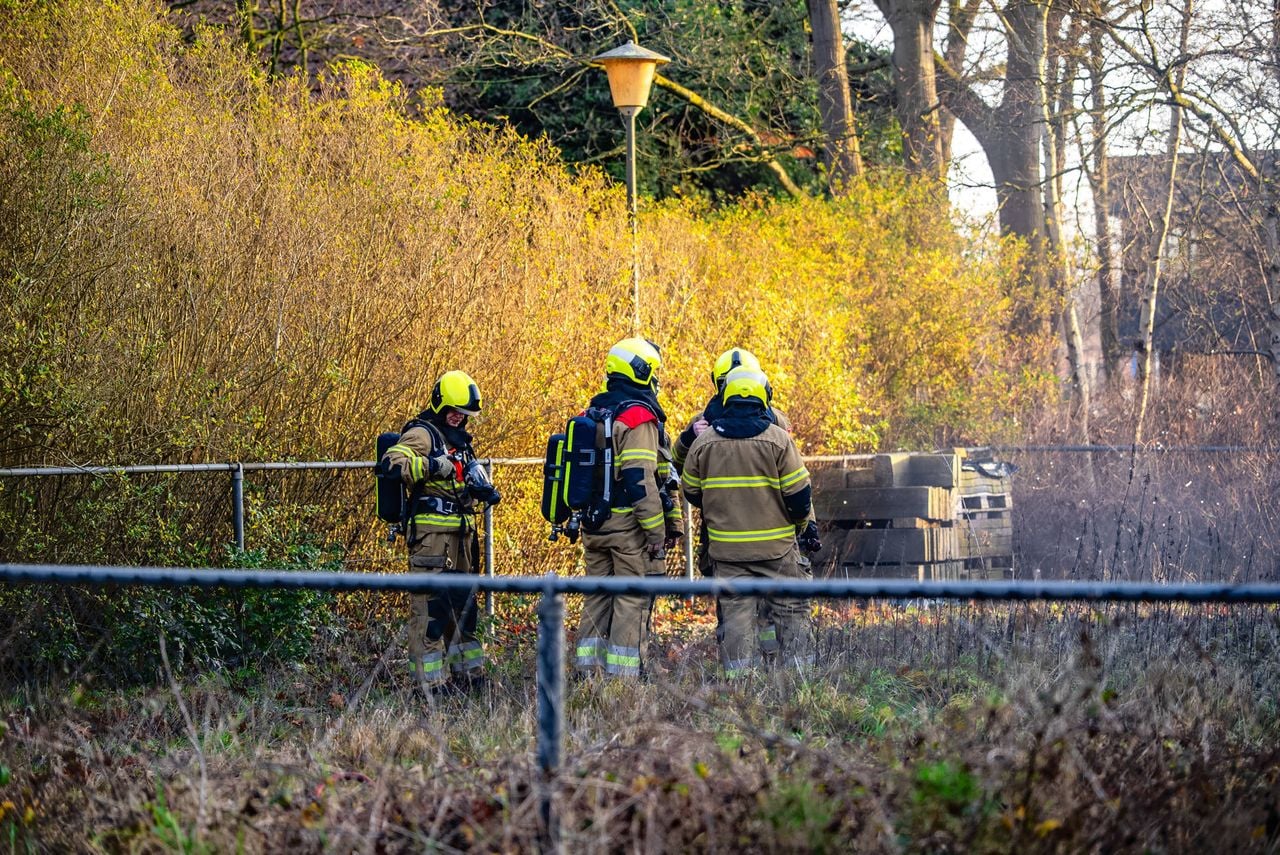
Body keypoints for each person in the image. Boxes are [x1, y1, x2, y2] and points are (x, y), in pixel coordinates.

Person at [671, 348, 820, 655]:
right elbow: (798, 487)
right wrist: (688, 437)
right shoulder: (705, 425)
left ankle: (749, 673)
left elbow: (691, 489)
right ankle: (789, 673)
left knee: (739, 611)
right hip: (773, 541)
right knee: (781, 606)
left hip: (727, 540)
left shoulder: (770, 422)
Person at [381, 370, 501, 693]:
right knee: (430, 611)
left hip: (461, 540)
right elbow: (392, 463)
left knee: (464, 609)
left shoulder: (459, 442)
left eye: (463, 414)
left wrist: (479, 488)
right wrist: (433, 465)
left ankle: (470, 677)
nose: (459, 418)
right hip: (431, 541)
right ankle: (430, 686)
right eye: (453, 411)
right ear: (440, 405)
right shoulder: (423, 434)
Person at [573, 337, 677, 679]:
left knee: (597, 597)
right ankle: (623, 680)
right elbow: (639, 480)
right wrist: (656, 532)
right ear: (642, 371)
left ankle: (587, 674)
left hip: (594, 525)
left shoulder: (593, 412)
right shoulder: (637, 417)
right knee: (631, 599)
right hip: (627, 528)